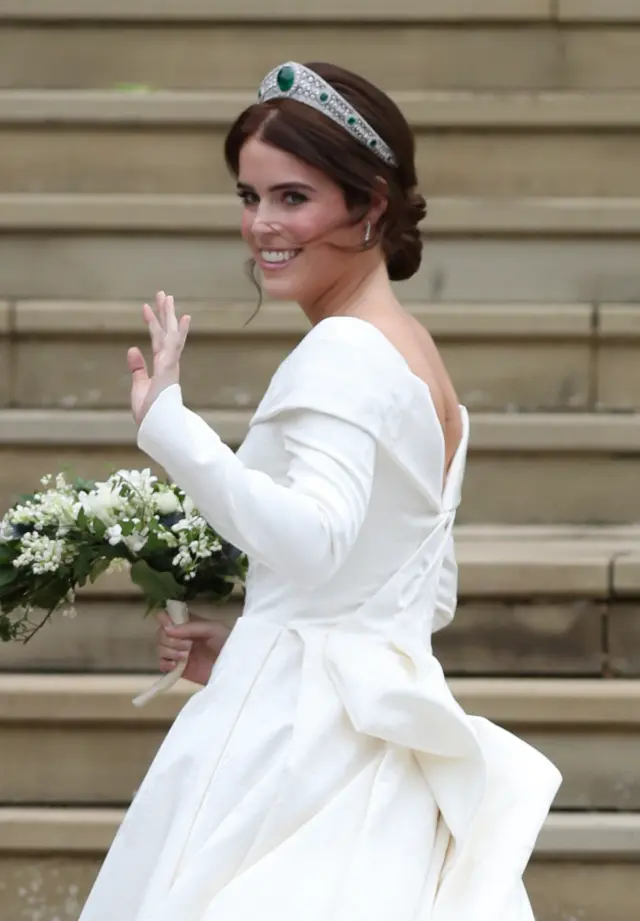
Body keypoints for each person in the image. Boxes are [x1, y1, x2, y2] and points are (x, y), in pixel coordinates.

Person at [79, 62, 561, 921]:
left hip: (302, 756)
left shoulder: (344, 350)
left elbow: (314, 540)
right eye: (250, 194)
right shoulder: (418, 357)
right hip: (370, 734)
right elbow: (417, 589)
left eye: (293, 197)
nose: (261, 224)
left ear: (370, 206)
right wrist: (260, 643)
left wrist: (169, 427)